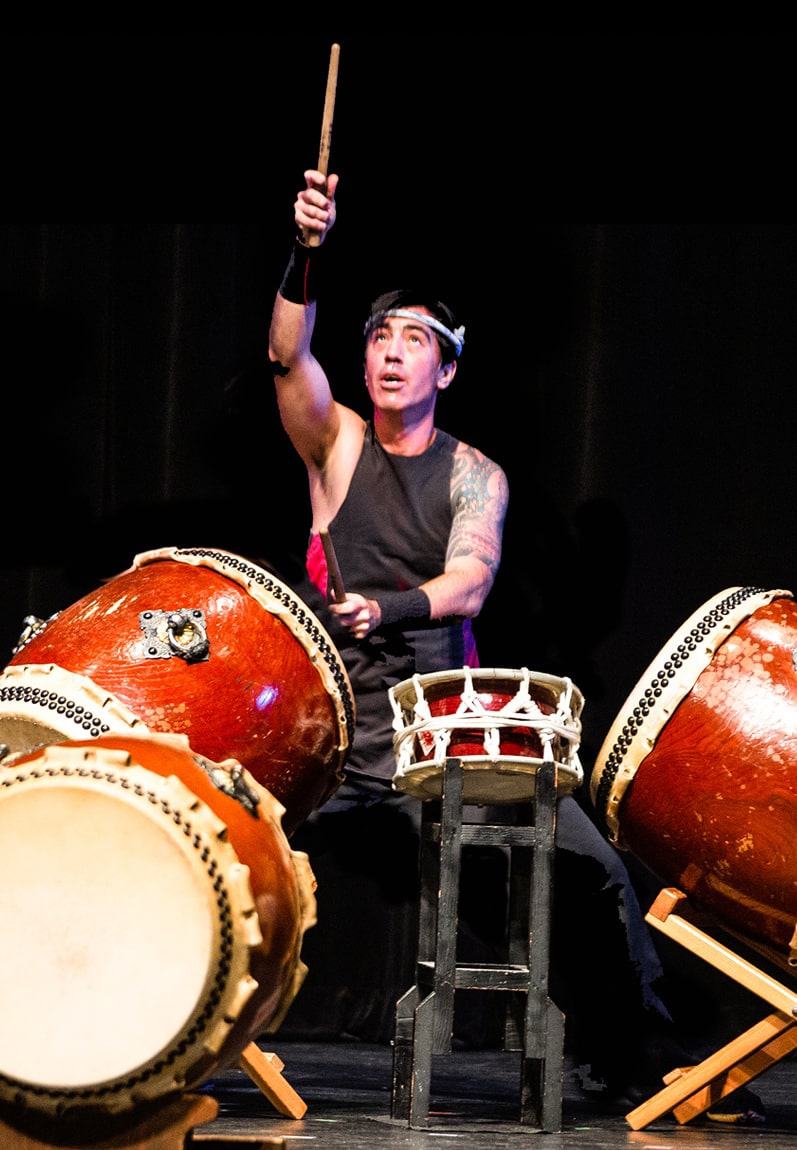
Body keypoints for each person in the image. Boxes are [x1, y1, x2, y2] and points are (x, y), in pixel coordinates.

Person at [266, 169, 765, 1122]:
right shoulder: (334, 446)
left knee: (589, 866)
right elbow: (289, 356)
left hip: (443, 723)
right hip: (332, 722)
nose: (390, 354)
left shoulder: (473, 475)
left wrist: (393, 606)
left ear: (447, 370)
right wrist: (306, 246)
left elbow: (470, 579)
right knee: (228, 836)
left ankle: (635, 1055)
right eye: (378, 337)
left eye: (415, 341)